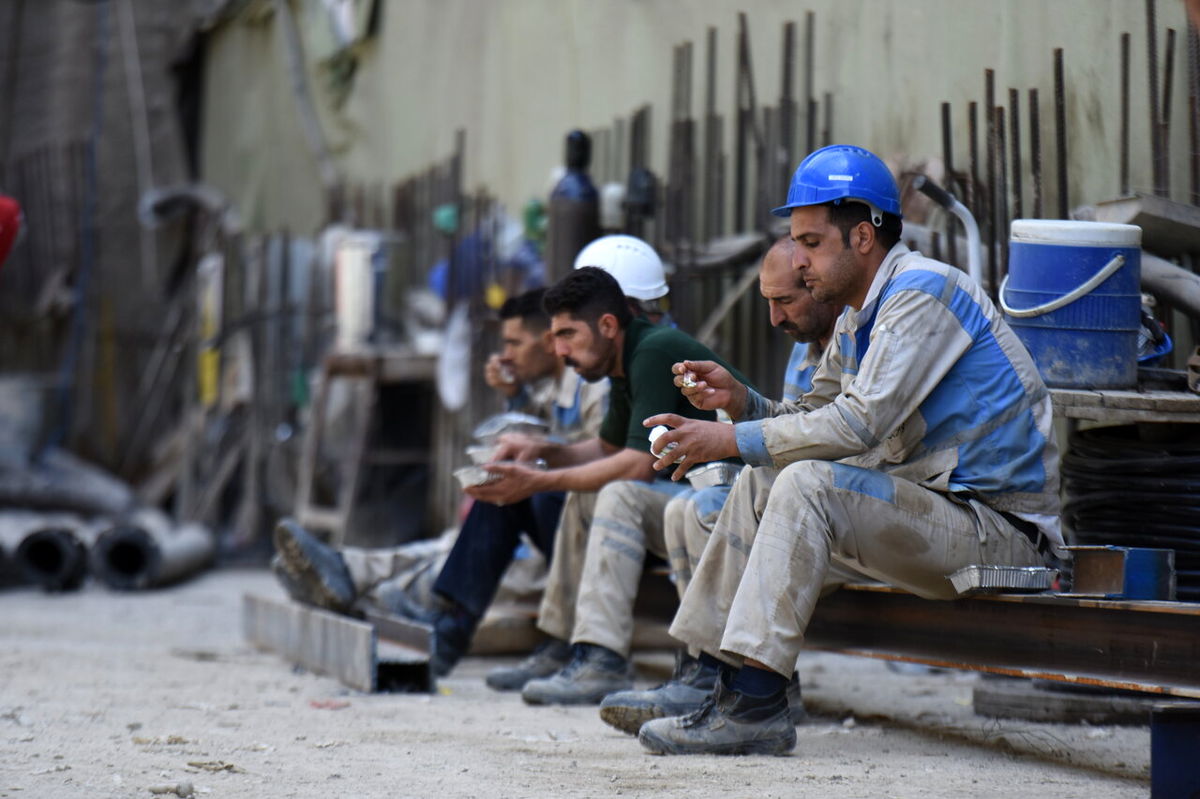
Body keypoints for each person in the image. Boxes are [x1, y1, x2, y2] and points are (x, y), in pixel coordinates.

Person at [634, 144, 1062, 755]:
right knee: (758, 482)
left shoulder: (922, 293)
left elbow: (857, 425)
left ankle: (755, 707)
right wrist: (742, 406)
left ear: (862, 236)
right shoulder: (860, 314)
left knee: (804, 483)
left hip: (999, 529)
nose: (799, 261)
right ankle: (711, 678)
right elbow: (812, 416)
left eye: (810, 242)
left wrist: (729, 439)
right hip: (932, 511)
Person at [273, 287, 608, 675]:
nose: (506, 355)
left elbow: (609, 459)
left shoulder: (595, 385)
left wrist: (538, 473)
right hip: (559, 520)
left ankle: (354, 581)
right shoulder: (557, 387)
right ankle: (412, 609)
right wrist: (516, 402)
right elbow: (552, 441)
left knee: (454, 547)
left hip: (584, 524)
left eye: (515, 343)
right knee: (487, 508)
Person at [595, 235, 844, 732]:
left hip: (846, 508)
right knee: (689, 507)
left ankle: (731, 674)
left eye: (784, 301)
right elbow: (800, 421)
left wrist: (728, 437)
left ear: (822, 283)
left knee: (711, 502)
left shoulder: (870, 329)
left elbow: (841, 434)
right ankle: (706, 669)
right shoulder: (806, 350)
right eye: (768, 302)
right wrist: (739, 401)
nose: (774, 319)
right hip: (818, 498)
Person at [473, 266, 753, 700]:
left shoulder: (654, 351)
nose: (560, 350)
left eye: (568, 334)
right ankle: (578, 649)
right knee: (584, 498)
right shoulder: (622, 362)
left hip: (737, 499)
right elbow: (606, 449)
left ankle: (608, 659)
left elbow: (636, 466)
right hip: (697, 498)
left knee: (619, 493)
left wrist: (535, 481)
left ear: (607, 325)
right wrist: (539, 450)